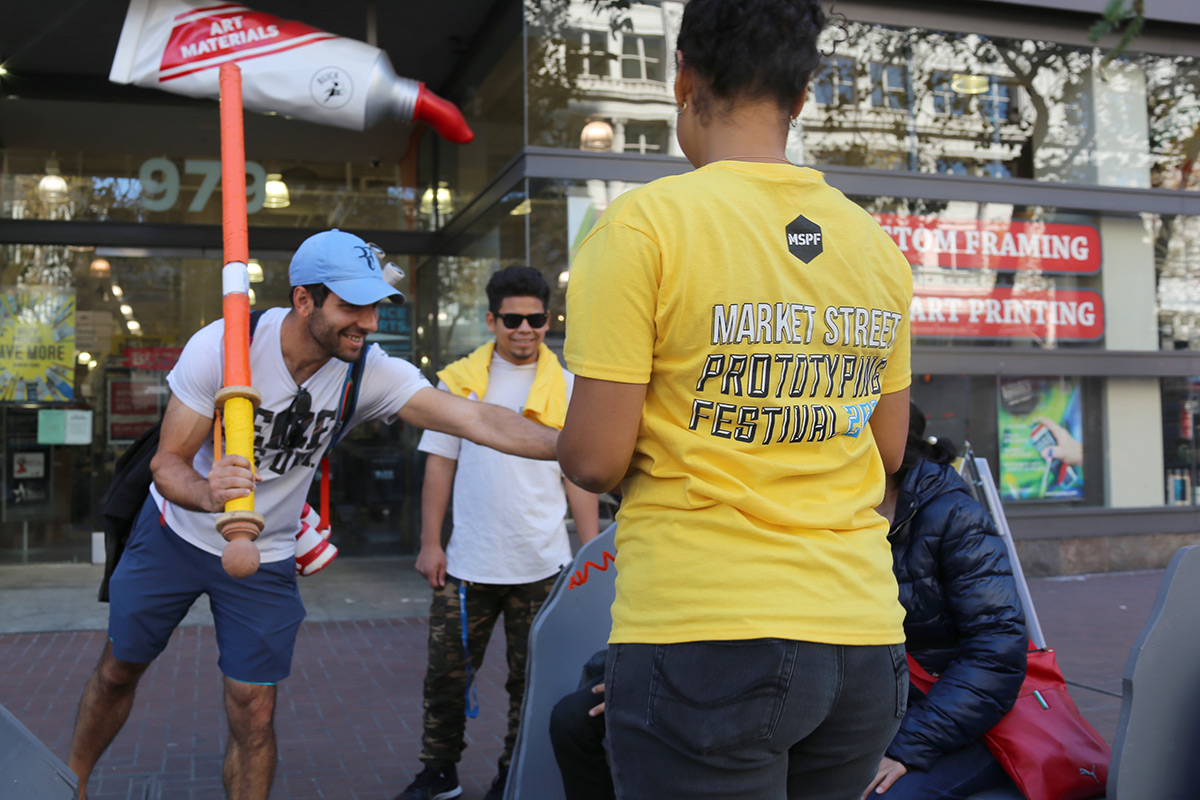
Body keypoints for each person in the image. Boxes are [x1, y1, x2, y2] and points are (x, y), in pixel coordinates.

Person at [556, 0, 915, 797]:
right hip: (862, 634)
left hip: (704, 630)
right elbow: (888, 449)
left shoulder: (643, 227)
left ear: (682, 77)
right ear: (803, 94)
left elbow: (593, 460)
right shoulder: (873, 245)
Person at [66, 230, 560, 800]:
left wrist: (577, 448)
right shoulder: (225, 346)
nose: (369, 322)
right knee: (119, 670)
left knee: (253, 710)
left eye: (375, 306)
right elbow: (167, 464)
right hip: (174, 533)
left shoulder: (367, 370)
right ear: (304, 300)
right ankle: (69, 783)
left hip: (268, 551)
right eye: (352, 306)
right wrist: (206, 493)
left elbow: (476, 419)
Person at [395, 266, 600, 800]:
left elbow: (578, 477)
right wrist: (430, 543)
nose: (525, 329)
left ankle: (512, 775)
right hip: (468, 563)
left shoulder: (569, 386)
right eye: (513, 319)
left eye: (535, 318)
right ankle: (438, 773)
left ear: (548, 320)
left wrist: (589, 554)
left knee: (530, 683)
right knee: (445, 676)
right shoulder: (458, 381)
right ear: (492, 320)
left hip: (543, 565)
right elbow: (440, 466)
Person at [865, 407, 1027, 799]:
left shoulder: (954, 515)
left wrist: (909, 746)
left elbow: (997, 653)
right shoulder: (835, 515)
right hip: (878, 722)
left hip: (963, 722)